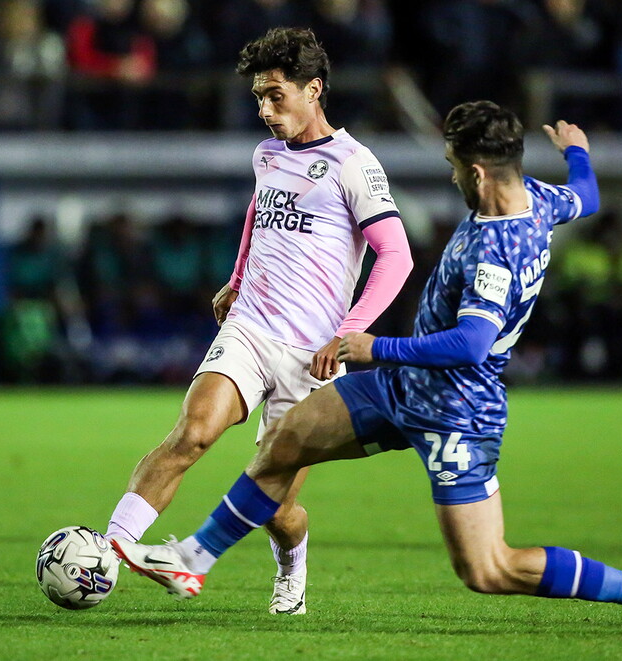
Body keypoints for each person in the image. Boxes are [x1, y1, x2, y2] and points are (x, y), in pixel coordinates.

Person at [111, 101, 622, 638]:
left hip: (457, 410)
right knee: (286, 441)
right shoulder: (540, 199)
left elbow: (472, 343)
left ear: (475, 172)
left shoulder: (499, 244)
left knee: (488, 568)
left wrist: (377, 348)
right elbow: (588, 196)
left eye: (451, 165)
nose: (449, 175)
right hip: (404, 387)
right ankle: (194, 560)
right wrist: (578, 152)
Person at [103, 27, 413, 615]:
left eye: (277, 96)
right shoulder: (266, 154)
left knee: (274, 502)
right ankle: (108, 550)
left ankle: (292, 561)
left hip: (313, 352)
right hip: (250, 325)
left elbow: (395, 255)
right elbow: (257, 213)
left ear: (313, 90)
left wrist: (351, 332)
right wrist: (239, 278)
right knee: (192, 432)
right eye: (259, 99)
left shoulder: (354, 163)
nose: (266, 111)